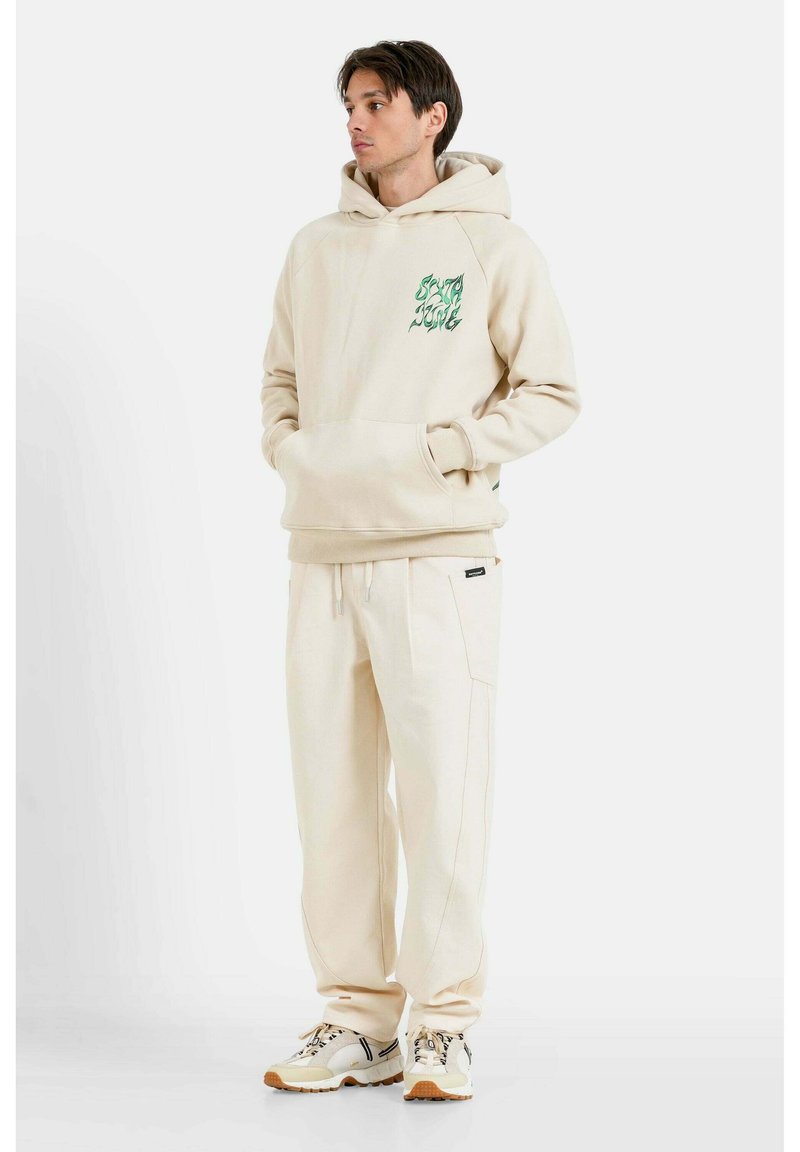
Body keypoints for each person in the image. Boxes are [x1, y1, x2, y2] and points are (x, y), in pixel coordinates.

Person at [259, 39, 581, 1102]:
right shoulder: (315, 248)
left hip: (438, 558)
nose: (354, 120)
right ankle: (359, 1019)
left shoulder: (494, 246)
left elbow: (550, 392)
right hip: (322, 554)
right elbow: (279, 382)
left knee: (442, 794)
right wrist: (296, 456)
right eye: (347, 103)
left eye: (375, 102)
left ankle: (442, 1023)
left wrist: (444, 452)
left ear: (432, 114)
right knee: (334, 802)